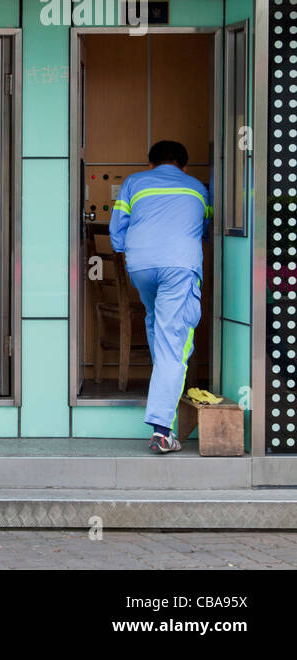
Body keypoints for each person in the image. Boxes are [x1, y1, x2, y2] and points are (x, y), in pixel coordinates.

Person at [108, 140, 211, 453]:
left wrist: (139, 249)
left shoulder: (134, 183)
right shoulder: (198, 188)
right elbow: (205, 229)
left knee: (158, 324)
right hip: (179, 266)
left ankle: (162, 383)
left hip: (141, 266)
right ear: (184, 165)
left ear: (150, 164)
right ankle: (162, 430)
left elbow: (116, 234)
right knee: (173, 340)